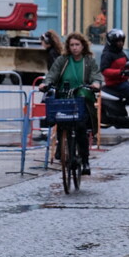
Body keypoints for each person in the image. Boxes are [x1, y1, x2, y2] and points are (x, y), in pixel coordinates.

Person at [44, 32, 101, 175]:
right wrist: (45, 83)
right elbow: (52, 74)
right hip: (64, 98)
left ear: (83, 46)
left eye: (77, 45)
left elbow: (96, 75)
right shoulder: (62, 60)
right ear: (68, 47)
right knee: (64, 125)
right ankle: (65, 153)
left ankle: (85, 161)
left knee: (81, 128)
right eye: (72, 45)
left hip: (82, 98)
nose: (75, 48)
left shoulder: (89, 61)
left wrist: (95, 83)